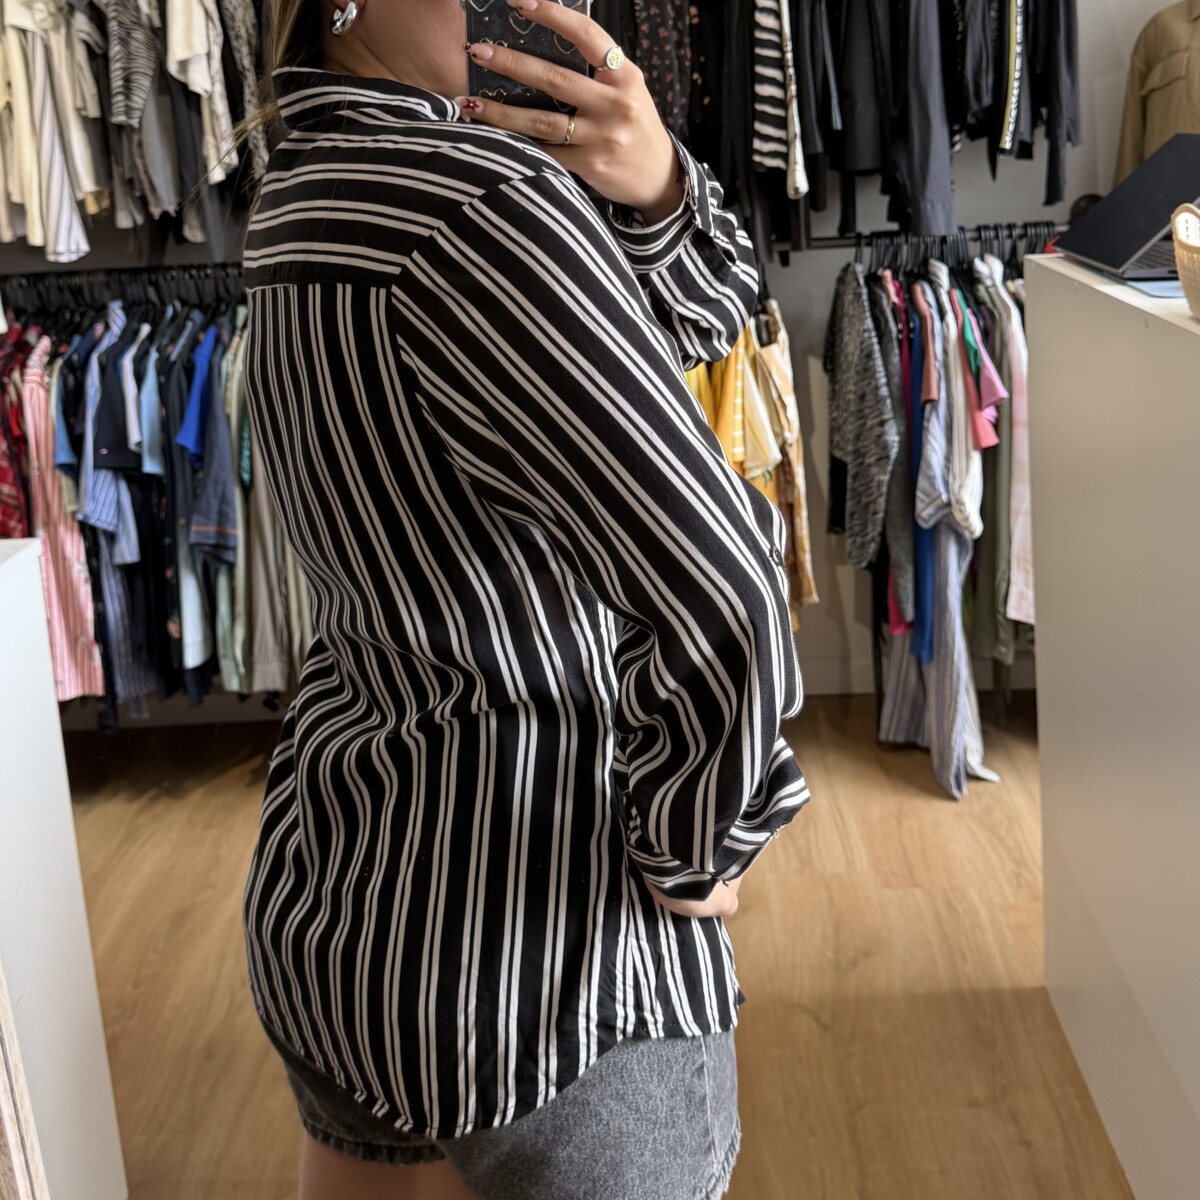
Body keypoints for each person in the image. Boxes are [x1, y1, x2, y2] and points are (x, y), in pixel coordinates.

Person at [240, 1, 811, 1196]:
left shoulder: (302, 179)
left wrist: (657, 197)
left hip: (347, 887)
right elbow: (723, 585)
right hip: (547, 950)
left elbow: (691, 333)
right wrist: (697, 843)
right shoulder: (486, 203)